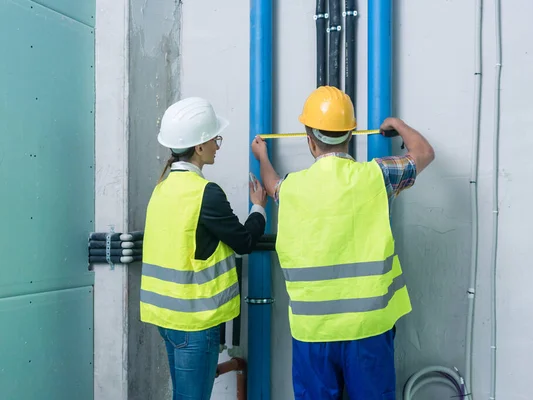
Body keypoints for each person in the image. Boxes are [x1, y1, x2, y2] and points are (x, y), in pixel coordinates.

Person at [251, 86, 435, 399]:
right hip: (369, 328)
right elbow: (423, 154)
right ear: (350, 135)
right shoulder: (376, 176)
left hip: (314, 331)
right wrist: (398, 124)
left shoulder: (292, 188)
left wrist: (262, 156)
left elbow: (272, 185)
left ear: (309, 139)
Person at [141, 97, 267, 400]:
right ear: (198, 147)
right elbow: (244, 242)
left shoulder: (162, 189)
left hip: (167, 320)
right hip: (194, 323)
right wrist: (259, 208)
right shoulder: (205, 194)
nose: (217, 146)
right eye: (214, 139)